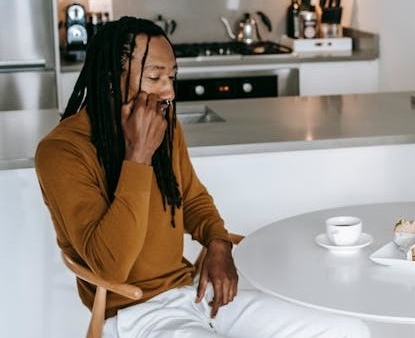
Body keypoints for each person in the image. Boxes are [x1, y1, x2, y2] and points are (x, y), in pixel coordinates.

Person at [35, 17, 369, 338]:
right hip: (135, 313)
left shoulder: (164, 128)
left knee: (350, 331)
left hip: (192, 293)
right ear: (110, 78)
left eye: (172, 77)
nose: (168, 92)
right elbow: (110, 269)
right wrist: (137, 156)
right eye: (154, 77)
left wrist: (218, 244)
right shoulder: (63, 152)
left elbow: (192, 199)